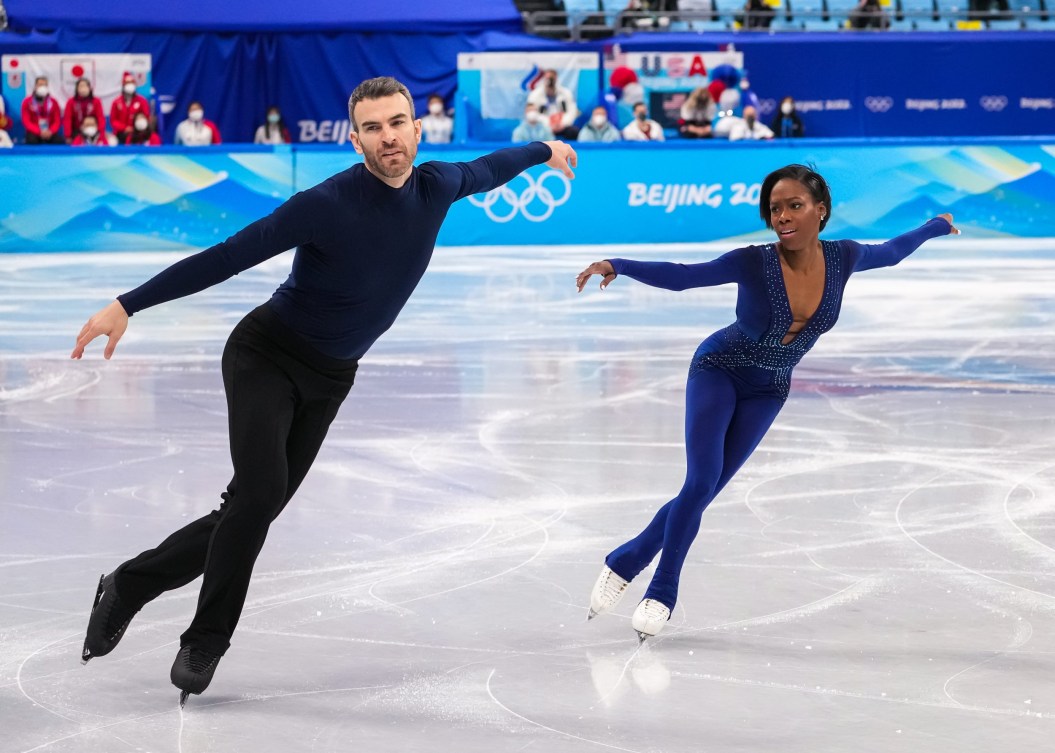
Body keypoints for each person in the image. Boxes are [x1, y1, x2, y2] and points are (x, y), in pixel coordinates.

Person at [73, 76, 578, 705]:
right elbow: (230, 254)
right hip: (265, 356)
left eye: (398, 123)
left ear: (417, 129)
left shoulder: (437, 185)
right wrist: (129, 303)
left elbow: (491, 166)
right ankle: (205, 640)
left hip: (332, 377)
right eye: (373, 127)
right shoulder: (327, 203)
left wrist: (543, 150)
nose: (388, 137)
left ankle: (130, 584)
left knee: (253, 511)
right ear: (355, 137)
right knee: (256, 497)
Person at [576, 164, 958, 640]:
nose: (782, 216)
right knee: (699, 483)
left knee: (705, 492)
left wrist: (936, 226)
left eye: (794, 206)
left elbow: (893, 252)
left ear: (821, 211)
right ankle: (662, 591)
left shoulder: (846, 257)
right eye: (774, 208)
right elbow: (683, 277)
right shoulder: (752, 261)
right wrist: (619, 265)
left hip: (769, 390)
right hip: (719, 370)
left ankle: (627, 557)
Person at [527, 69, 580, 141]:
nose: (550, 82)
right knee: (540, 133)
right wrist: (549, 124)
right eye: (548, 79)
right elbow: (532, 112)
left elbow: (572, 111)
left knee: (574, 132)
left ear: (556, 79)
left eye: (552, 79)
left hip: (562, 125)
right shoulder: (535, 95)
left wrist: (562, 124)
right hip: (544, 126)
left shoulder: (566, 93)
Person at [110, 72, 152, 143]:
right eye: (127, 83)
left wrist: (136, 127)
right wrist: (125, 128)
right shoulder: (116, 102)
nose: (130, 85)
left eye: (132, 83)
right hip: (121, 133)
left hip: (138, 132)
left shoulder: (142, 101)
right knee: (112, 142)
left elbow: (146, 116)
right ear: (123, 85)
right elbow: (113, 120)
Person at [21, 77, 64, 145]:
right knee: (31, 141)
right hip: (34, 132)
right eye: (40, 85)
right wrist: (39, 131)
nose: (42, 87)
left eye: (44, 85)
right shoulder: (27, 102)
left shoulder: (53, 102)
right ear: (35, 86)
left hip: (49, 132)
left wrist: (50, 131)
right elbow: (26, 121)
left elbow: (57, 121)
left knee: (59, 141)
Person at [63, 78, 106, 145]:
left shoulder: (96, 101)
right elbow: (67, 119)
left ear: (89, 88)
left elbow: (100, 118)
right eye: (81, 86)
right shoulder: (71, 102)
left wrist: (101, 133)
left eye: (85, 86)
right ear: (77, 89)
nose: (83, 88)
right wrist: (68, 135)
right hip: (77, 131)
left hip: (93, 129)